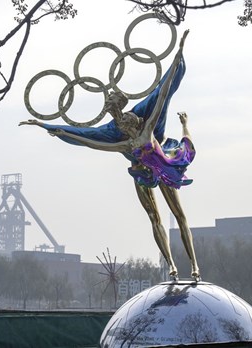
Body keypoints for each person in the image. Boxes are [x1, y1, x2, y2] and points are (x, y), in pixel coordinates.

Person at [20, 30, 199, 280]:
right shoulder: (119, 139)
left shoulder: (144, 123)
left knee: (179, 214)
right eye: (109, 103)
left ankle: (194, 266)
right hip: (141, 172)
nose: (110, 105)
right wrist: (54, 128)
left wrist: (177, 57)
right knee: (154, 217)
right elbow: (89, 139)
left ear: (129, 116)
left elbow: (162, 93)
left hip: (163, 163)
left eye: (113, 101)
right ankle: (171, 265)